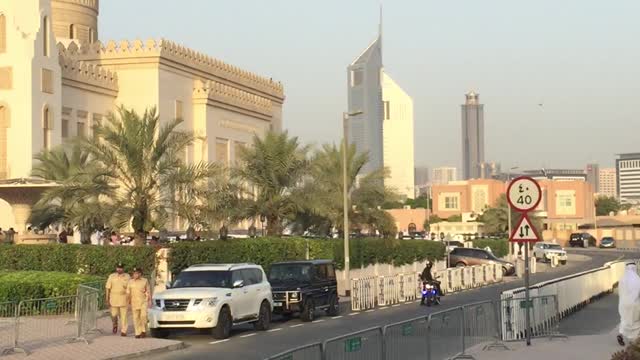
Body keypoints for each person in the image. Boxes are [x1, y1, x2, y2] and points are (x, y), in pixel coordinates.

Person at [618, 262, 640, 346]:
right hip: (635, 305)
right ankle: (634, 340)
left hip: (623, 304)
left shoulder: (622, 279)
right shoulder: (637, 279)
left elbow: (620, 292)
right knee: (635, 322)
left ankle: (620, 335)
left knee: (624, 320)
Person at [106, 262, 130, 336]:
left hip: (123, 298)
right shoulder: (112, 276)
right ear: (116, 268)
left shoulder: (127, 276)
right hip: (114, 298)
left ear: (123, 268)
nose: (119, 269)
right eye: (118, 268)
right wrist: (107, 298)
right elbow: (108, 288)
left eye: (121, 268)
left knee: (124, 315)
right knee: (114, 314)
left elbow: (130, 287)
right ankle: (115, 324)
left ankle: (124, 330)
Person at [127, 267, 151, 339]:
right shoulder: (130, 282)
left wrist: (149, 300)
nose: (135, 275)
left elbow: (148, 291)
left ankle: (143, 330)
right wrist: (128, 302)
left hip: (143, 301)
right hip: (134, 302)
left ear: (140, 274)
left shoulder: (144, 281)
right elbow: (128, 292)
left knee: (143, 316)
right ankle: (137, 332)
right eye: (134, 273)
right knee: (136, 318)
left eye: (136, 273)